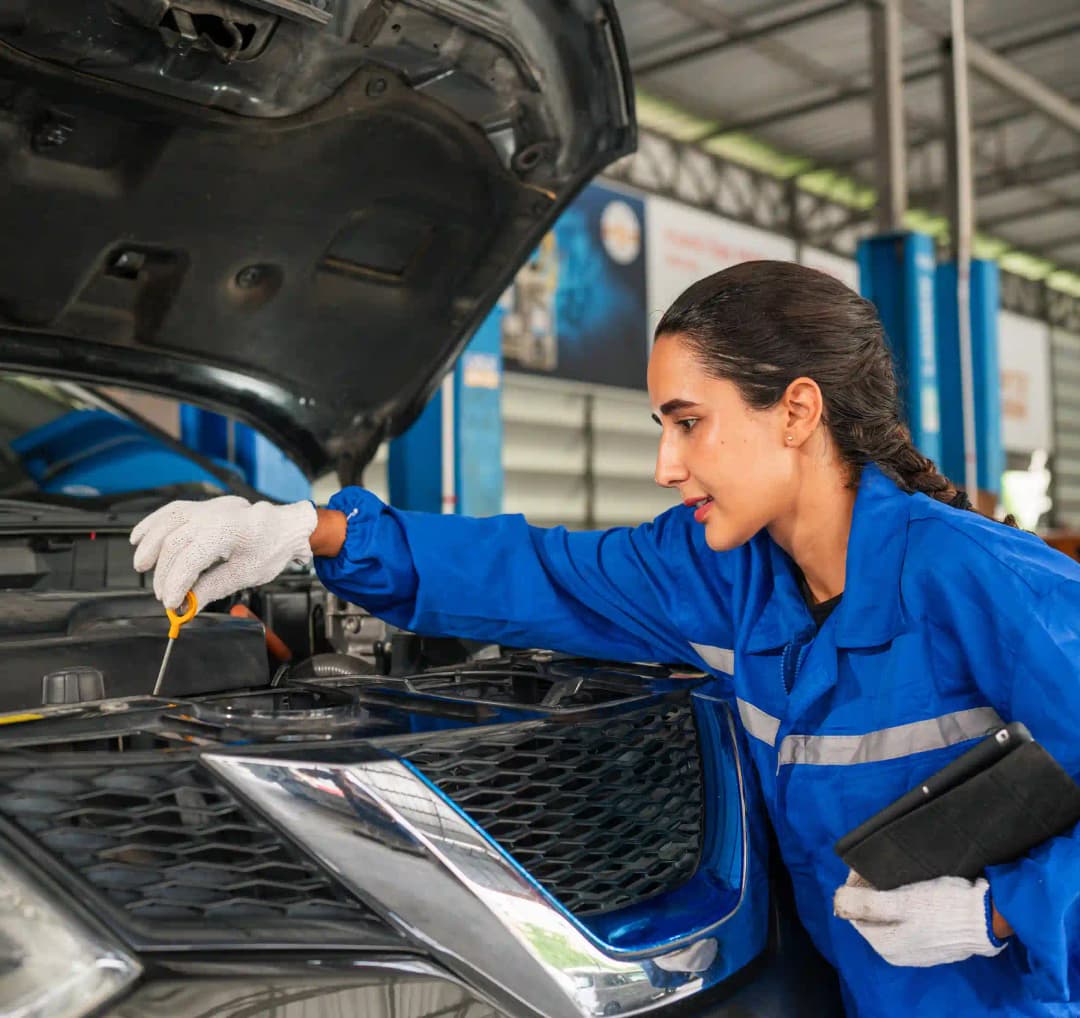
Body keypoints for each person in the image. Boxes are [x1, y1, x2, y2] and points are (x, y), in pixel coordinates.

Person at [130, 261, 1080, 1017]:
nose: (666, 466)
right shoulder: (718, 569)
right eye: (661, 427)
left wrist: (998, 913)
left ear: (795, 411)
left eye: (690, 424)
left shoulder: (978, 577)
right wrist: (309, 532)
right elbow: (536, 571)